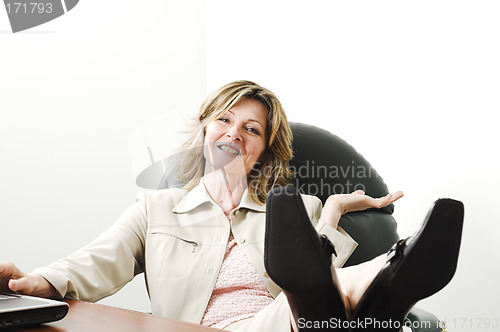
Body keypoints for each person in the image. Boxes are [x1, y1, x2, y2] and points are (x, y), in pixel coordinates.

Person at [0, 80, 464, 331]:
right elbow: (94, 262)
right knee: (328, 309)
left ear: (262, 149)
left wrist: (328, 215)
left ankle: (392, 272)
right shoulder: (156, 208)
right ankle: (392, 274)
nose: (234, 135)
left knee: (311, 303)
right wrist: (34, 282)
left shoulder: (293, 207)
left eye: (252, 129)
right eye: (224, 120)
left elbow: (318, 282)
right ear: (205, 130)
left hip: (278, 325)